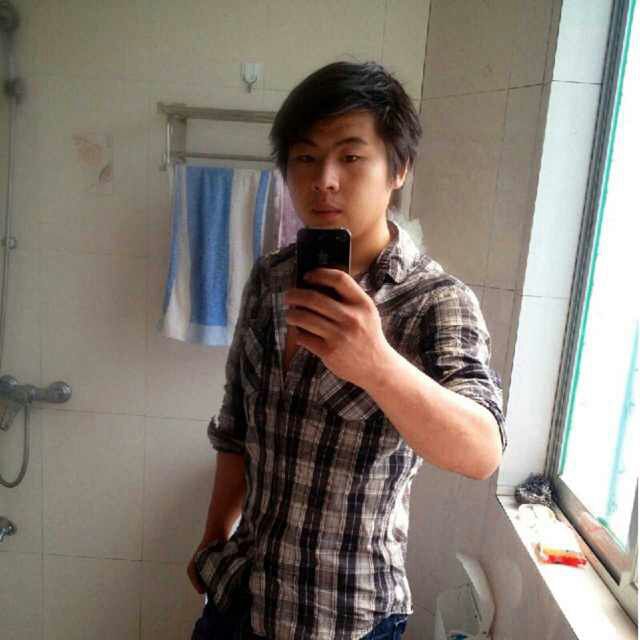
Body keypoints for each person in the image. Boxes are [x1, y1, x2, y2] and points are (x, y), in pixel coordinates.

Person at [188, 60, 507, 640]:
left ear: (398, 169)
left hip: (346, 617)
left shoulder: (435, 301)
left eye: (351, 157)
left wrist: (377, 363)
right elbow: (235, 424)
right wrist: (213, 538)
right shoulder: (271, 277)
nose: (324, 180)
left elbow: (482, 452)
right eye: (305, 158)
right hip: (240, 596)